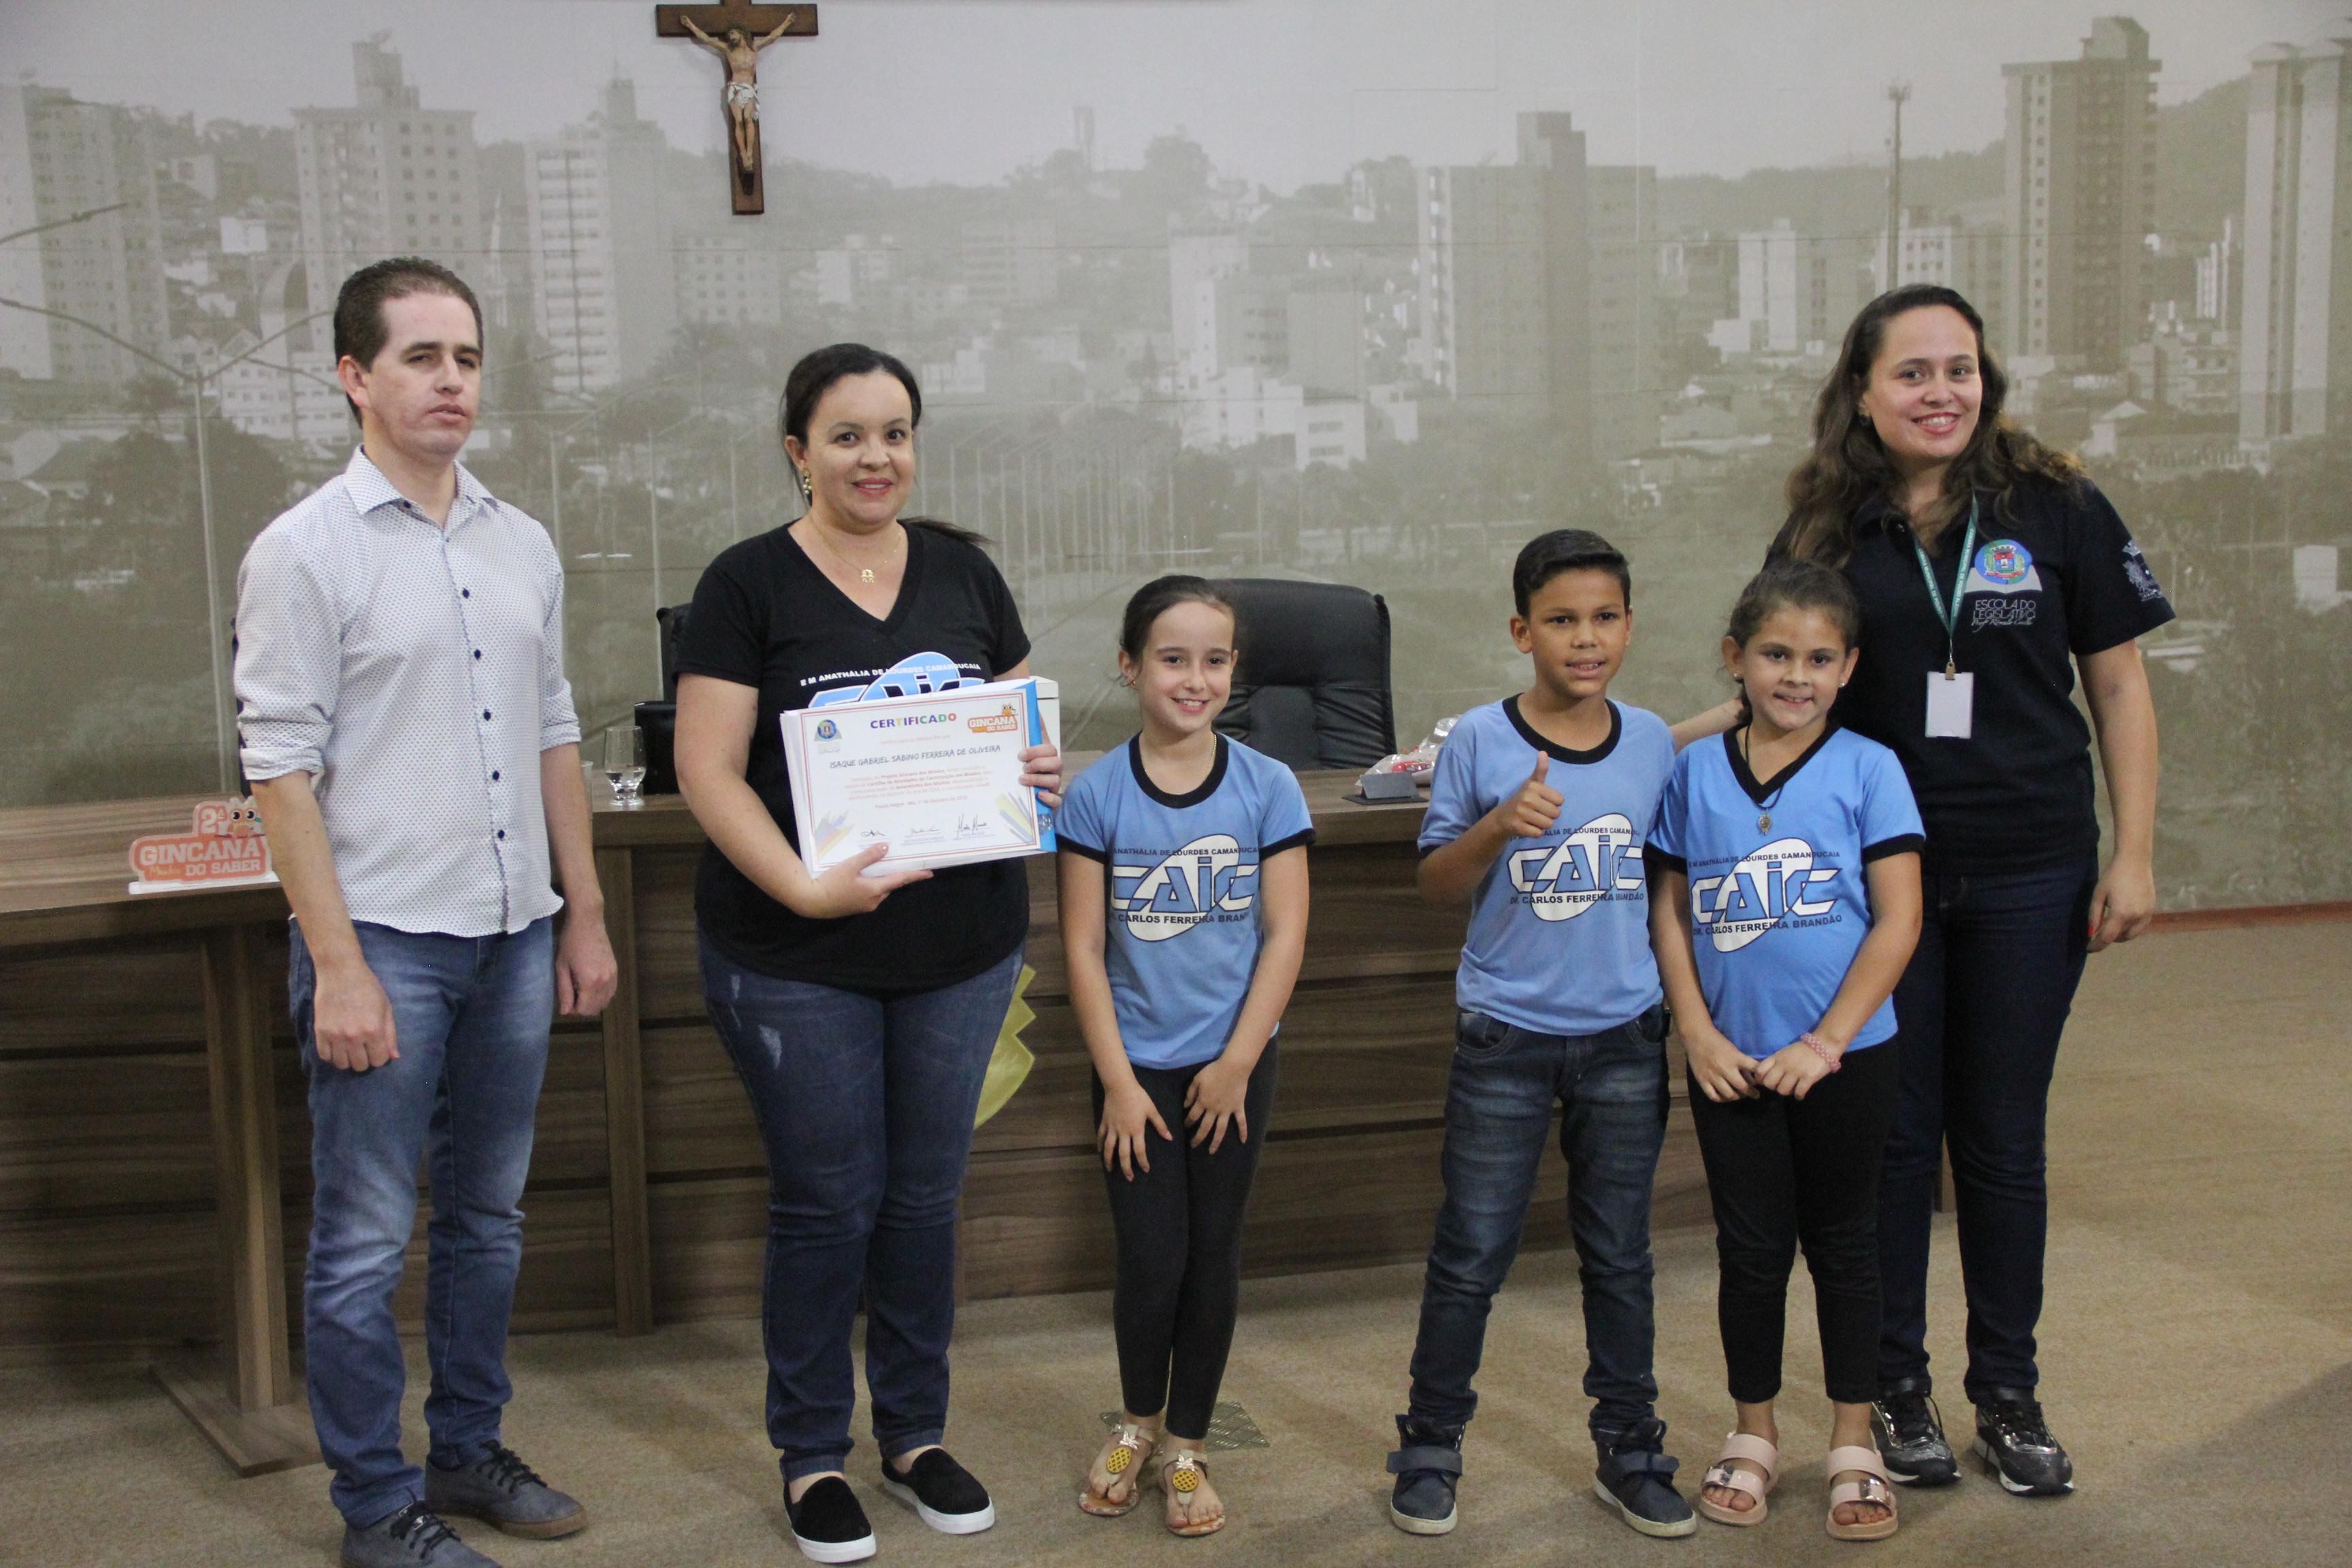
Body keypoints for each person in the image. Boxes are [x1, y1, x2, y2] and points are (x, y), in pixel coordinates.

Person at [237, 257, 617, 1568]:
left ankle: (464, 1452)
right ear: (356, 377)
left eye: (464, 357)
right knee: (359, 1239)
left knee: (488, 1219)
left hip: (515, 928)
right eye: (419, 358)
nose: (450, 380)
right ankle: (372, 1508)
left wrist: (584, 915)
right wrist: (336, 966)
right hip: (382, 940)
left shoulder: (522, 541)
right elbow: (277, 766)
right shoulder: (303, 552)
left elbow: (555, 730)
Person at [1768, 283, 2170, 1496]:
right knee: (1894, 1144)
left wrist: (2136, 850)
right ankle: (1894, 1390)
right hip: (1880, 883)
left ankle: (2009, 1392)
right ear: (1864, 390)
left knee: (1998, 1145)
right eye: (1913, 373)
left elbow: (2118, 687)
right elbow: (1784, 692)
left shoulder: (2055, 505)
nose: (1942, 392)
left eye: (1961, 369)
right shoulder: (1827, 530)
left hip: (2030, 868)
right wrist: (1622, 742)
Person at [670, 343, 1062, 1564]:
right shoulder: (747, 584)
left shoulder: (963, 572)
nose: (875, 457)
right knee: (827, 1203)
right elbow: (704, 769)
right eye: (846, 435)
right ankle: (809, 1457)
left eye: (895, 433)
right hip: (797, 949)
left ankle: (914, 1437)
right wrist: (802, 886)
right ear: (799, 451)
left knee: (923, 1200)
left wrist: (1033, 763)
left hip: (962, 946)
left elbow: (1009, 717)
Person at [1384, 529, 1694, 1541]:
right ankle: (1430, 1445)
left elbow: (1664, 879)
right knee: (1471, 1252)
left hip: (1623, 1038)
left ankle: (1632, 1450)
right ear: (1523, 631)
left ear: (1631, 626)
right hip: (1505, 1037)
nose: (1585, 639)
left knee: (1619, 1254)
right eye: (1561, 620)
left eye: (1605, 618)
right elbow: (1435, 885)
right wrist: (1494, 826)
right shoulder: (1480, 738)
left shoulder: (1651, 741)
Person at [1648, 561, 1925, 1542]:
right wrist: (1698, 1030)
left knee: (1847, 1247)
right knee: (1753, 1252)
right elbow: (1670, 912)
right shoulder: (1692, 774)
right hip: (1732, 1062)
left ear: (1848, 668)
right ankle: (1754, 1431)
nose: (1795, 675)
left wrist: (1828, 1040)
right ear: (1736, 659)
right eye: (1775, 654)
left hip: (1845, 1060)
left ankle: (1855, 1440)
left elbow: (1898, 920)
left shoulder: (1869, 769)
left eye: (1818, 658)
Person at [1058, 577, 1313, 1539]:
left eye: (1214, 660)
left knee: (1213, 1256)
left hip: (1233, 1067)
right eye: (1172, 658)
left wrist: (1240, 1060)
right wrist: (1119, 1082)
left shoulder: (1267, 786)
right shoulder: (1098, 794)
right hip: (1137, 1075)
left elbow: (1285, 934)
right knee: (1151, 1259)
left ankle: (1190, 1443)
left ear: (1234, 670)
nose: (1194, 678)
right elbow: (1083, 946)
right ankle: (1135, 1421)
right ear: (1130, 666)